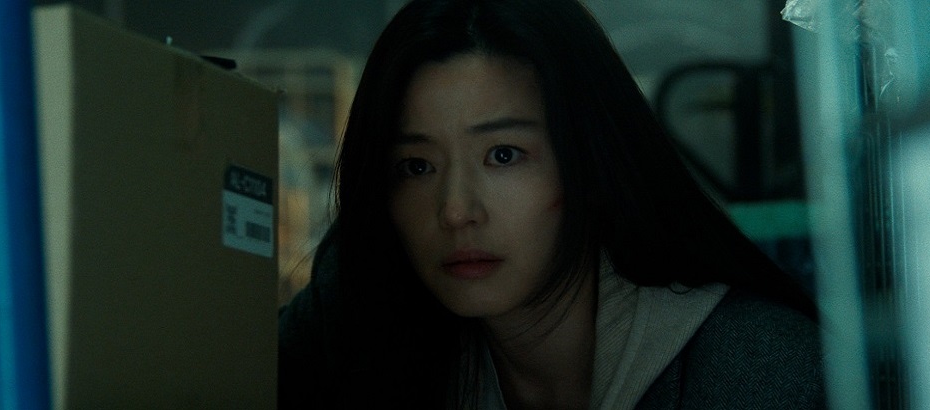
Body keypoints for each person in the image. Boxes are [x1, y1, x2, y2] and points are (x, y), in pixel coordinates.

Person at [279, 0, 825, 408]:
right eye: (416, 167)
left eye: (503, 155)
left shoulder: (757, 367)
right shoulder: (360, 310)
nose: (456, 211)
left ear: (588, 159)